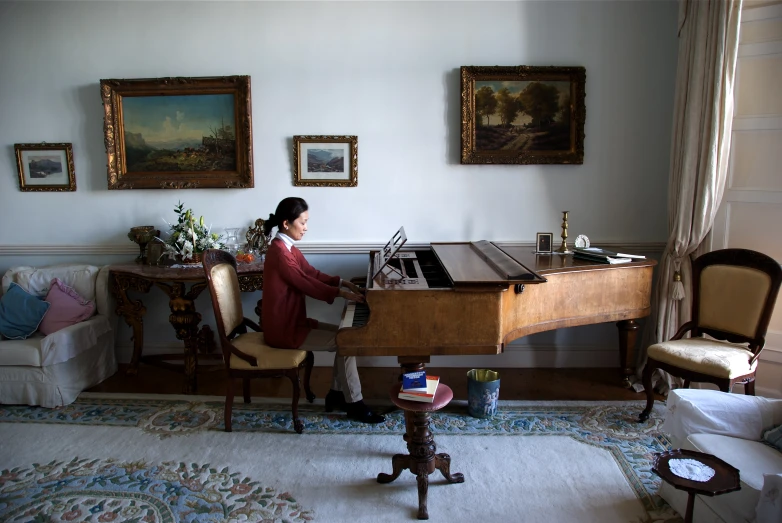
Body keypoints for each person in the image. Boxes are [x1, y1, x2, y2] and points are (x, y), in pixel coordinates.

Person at [261, 197, 385, 424]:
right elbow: (305, 283)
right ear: (286, 223)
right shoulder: (280, 253)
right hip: (284, 330)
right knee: (346, 341)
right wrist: (341, 294)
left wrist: (343, 282)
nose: (306, 228)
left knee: (345, 335)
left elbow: (311, 273)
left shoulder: (286, 247)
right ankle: (355, 404)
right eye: (303, 222)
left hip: (292, 323)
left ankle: (336, 395)